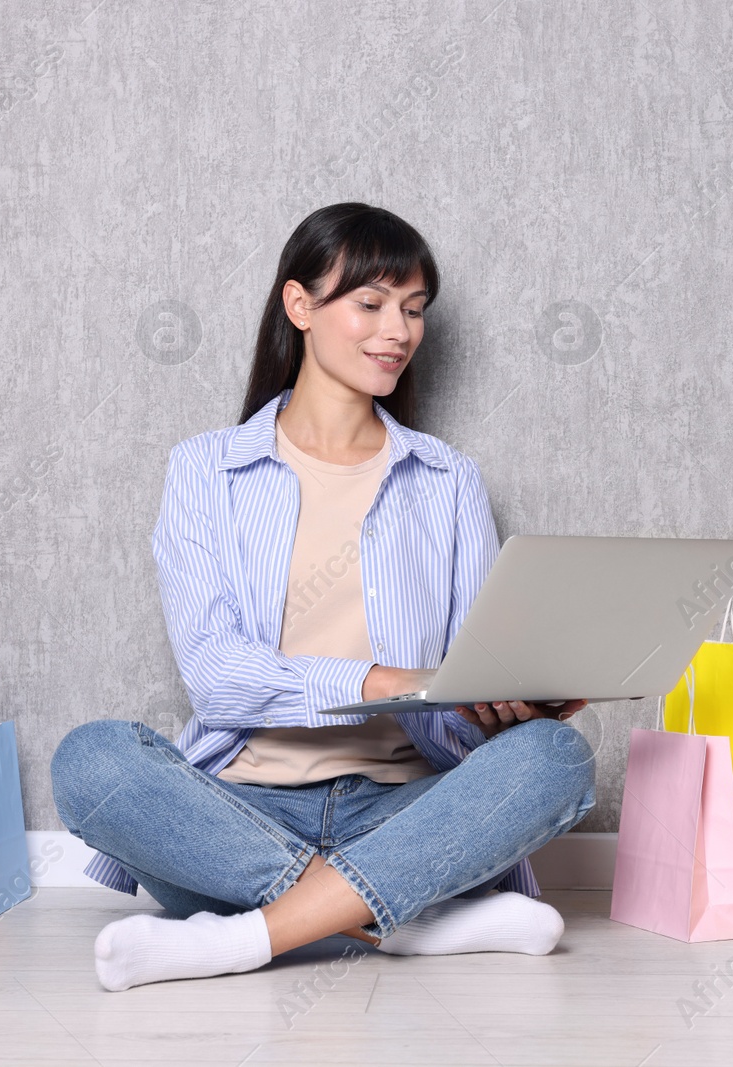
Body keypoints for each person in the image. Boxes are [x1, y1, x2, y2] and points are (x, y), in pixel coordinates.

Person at [50, 202, 597, 992]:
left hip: (407, 809)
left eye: (413, 310)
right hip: (237, 815)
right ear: (299, 305)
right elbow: (216, 675)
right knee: (91, 760)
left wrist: (505, 702)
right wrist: (373, 680)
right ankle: (404, 921)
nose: (399, 331)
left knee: (557, 756)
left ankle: (246, 938)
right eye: (371, 304)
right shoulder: (205, 470)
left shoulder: (447, 479)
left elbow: (455, 691)